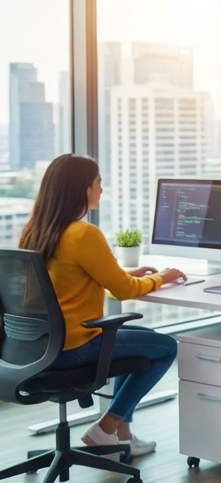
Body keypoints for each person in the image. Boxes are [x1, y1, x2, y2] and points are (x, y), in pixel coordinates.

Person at [18, 154, 184, 457]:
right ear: (83, 188)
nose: (101, 190)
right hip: (74, 348)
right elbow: (123, 291)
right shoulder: (83, 233)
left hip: (38, 349)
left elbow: (71, 278)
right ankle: (107, 426)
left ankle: (122, 435)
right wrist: (162, 277)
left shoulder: (36, 231)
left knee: (130, 341)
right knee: (166, 347)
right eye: (98, 182)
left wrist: (125, 273)